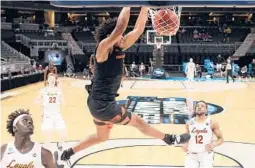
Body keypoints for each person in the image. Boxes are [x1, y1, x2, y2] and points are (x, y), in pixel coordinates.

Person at [61, 7, 190, 161]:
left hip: (98, 103)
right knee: (139, 123)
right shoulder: (103, 48)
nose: (122, 37)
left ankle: (68, 153)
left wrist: (144, 7)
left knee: (101, 137)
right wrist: (128, 4)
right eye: (120, 35)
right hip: (103, 104)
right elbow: (120, 27)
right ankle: (170, 139)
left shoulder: (119, 46)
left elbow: (138, 29)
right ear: (110, 36)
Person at [182, 101, 224, 168]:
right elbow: (186, 137)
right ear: (195, 109)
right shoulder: (189, 123)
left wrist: (214, 144)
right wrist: (184, 144)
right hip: (191, 155)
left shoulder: (212, 122)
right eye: (198, 106)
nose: (199, 107)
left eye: (202, 106)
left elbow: (221, 139)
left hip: (206, 155)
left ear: (206, 110)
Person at [35, 73, 67, 151]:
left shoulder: (58, 91)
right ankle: (47, 153)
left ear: (55, 81)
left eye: (53, 79)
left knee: (63, 133)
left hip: (57, 115)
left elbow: (63, 104)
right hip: (47, 116)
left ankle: (59, 144)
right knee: (47, 135)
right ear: (48, 80)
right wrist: (40, 101)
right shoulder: (43, 91)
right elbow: (36, 101)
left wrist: (61, 92)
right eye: (50, 79)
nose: (52, 80)